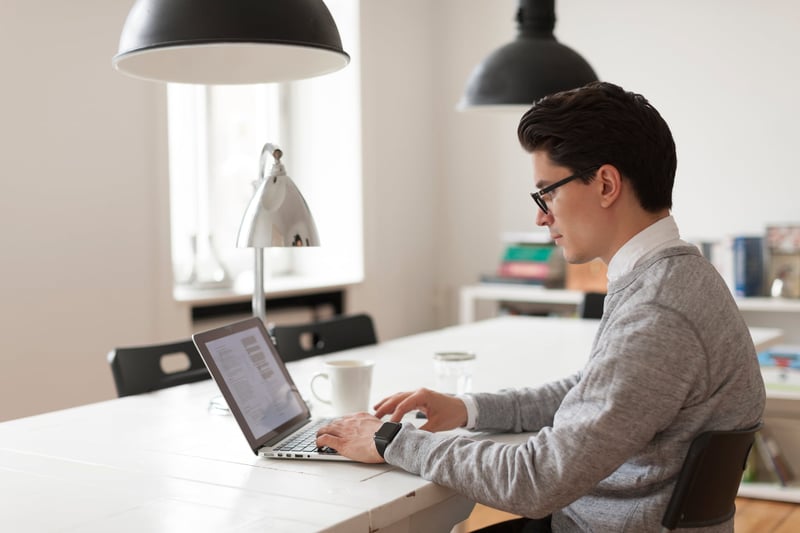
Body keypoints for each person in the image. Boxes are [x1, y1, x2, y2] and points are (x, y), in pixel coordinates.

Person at [316, 81, 765, 532]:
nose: (540, 215)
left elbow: (535, 481)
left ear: (606, 184)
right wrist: (469, 408)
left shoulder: (658, 311)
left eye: (547, 191)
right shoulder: (675, 278)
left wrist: (392, 439)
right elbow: (590, 390)